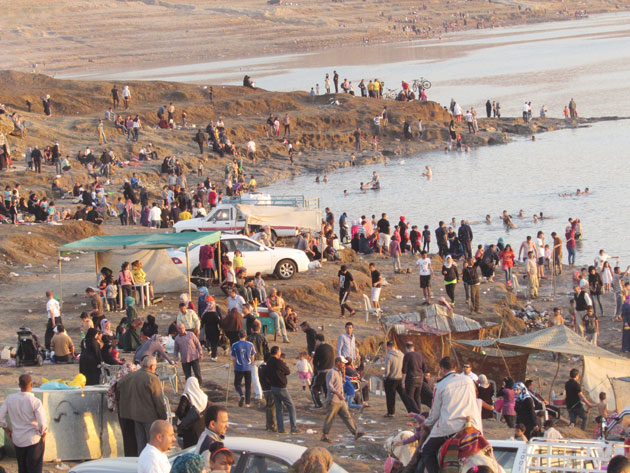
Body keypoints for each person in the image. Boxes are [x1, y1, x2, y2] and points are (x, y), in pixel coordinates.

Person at [419, 357, 482, 473]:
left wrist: (426, 423)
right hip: (472, 425)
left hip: (450, 427)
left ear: (442, 369)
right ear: (456, 368)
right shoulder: (469, 381)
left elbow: (435, 414)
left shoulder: (439, 386)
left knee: (426, 450)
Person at [116, 355, 168, 454]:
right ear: (152, 366)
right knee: (151, 445)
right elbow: (158, 400)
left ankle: (141, 461)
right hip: (150, 417)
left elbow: (119, 384)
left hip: (136, 416)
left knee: (141, 444)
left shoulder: (132, 375)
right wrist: (163, 416)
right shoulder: (152, 378)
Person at [0, 374, 47, 473]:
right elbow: (42, 423)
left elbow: (1, 417)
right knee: (34, 469)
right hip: (33, 440)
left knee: (22, 468)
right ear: (31, 385)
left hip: (18, 439)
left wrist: (7, 430)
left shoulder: (10, 399)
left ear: (19, 385)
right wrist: (43, 435)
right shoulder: (35, 402)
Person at [320, 357, 364, 443]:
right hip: (333, 400)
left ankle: (355, 433)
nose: (344, 365)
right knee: (330, 418)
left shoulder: (339, 372)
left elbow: (342, 383)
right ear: (338, 363)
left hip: (340, 400)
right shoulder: (331, 372)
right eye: (343, 363)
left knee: (347, 416)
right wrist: (338, 394)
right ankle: (324, 435)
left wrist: (343, 374)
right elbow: (329, 387)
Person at [267, 346, 298, 434]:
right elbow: (287, 371)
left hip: (273, 386)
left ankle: (281, 429)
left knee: (279, 408)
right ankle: (293, 428)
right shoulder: (278, 362)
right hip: (281, 387)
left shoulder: (269, 361)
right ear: (277, 352)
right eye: (280, 351)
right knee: (291, 406)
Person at [175, 377, 209, 448]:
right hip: (201, 428)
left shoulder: (186, 396)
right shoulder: (204, 397)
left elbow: (180, 412)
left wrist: (186, 417)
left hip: (189, 428)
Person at [383, 341, 411, 417]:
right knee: (404, 396)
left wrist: (385, 376)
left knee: (390, 396)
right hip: (400, 378)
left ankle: (391, 412)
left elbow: (387, 370)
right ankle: (411, 410)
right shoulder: (402, 354)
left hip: (391, 379)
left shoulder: (388, 356)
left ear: (388, 347)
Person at [231, 330, 255, 407]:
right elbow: (252, 356)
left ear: (238, 335)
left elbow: (233, 358)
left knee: (237, 384)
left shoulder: (234, 345)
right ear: (246, 335)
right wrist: (250, 364)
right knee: (248, 385)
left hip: (239, 367)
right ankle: (248, 403)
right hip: (248, 367)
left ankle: (241, 394)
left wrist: (234, 366)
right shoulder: (250, 344)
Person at [402, 341, 426, 413]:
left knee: (409, 396)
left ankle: (417, 412)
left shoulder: (407, 355)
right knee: (417, 397)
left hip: (411, 378)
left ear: (406, 348)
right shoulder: (420, 355)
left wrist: (403, 381)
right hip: (420, 378)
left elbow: (404, 370)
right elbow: (424, 368)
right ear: (413, 348)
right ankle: (418, 413)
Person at [311, 334, 334, 408]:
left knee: (314, 388)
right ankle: (328, 404)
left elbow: (315, 362)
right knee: (326, 388)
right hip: (330, 370)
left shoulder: (319, 348)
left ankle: (318, 404)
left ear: (317, 340)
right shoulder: (330, 347)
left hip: (322, 371)